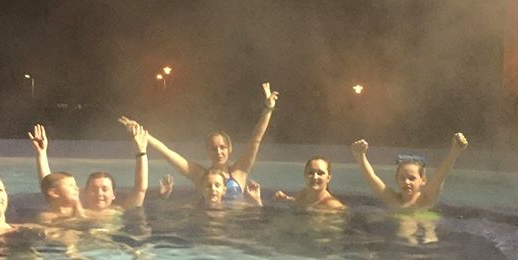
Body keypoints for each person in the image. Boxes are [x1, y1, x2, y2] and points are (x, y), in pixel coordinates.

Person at [122, 82, 278, 202]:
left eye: (222, 147)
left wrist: (268, 109)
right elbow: (167, 153)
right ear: (208, 151)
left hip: (235, 224)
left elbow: (256, 140)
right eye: (213, 148)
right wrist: (141, 133)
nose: (218, 152)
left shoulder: (239, 172)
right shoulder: (200, 175)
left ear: (230, 149)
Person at [27, 120, 149, 215]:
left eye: (105, 189)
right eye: (93, 189)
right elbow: (51, 185)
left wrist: (141, 151)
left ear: (113, 194)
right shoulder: (73, 212)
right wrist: (41, 153)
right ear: (84, 193)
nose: (99, 193)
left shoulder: (119, 212)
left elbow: (140, 189)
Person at [351, 133, 468, 211]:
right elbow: (372, 178)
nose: (406, 182)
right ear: (396, 179)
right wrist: (360, 156)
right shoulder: (393, 200)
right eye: (402, 178)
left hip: (425, 231)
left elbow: (440, 176)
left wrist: (455, 151)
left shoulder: (426, 199)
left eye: (412, 178)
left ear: (423, 180)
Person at [273, 157, 346, 211]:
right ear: (305, 175)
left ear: (328, 178)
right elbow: (295, 202)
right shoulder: (303, 194)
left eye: (320, 173)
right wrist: (285, 198)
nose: (315, 177)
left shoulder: (333, 206)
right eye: (311, 173)